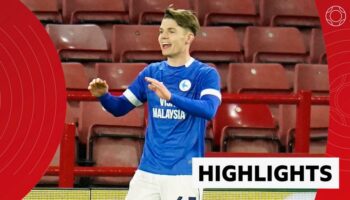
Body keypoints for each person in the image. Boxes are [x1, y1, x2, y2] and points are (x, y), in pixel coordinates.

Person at [88, 7, 221, 200]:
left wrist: (171, 98)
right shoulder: (151, 73)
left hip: (184, 175)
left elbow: (209, 110)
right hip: (147, 174)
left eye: (171, 31)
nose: (163, 37)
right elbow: (119, 108)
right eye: (161, 31)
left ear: (188, 38)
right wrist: (104, 96)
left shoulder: (205, 74)